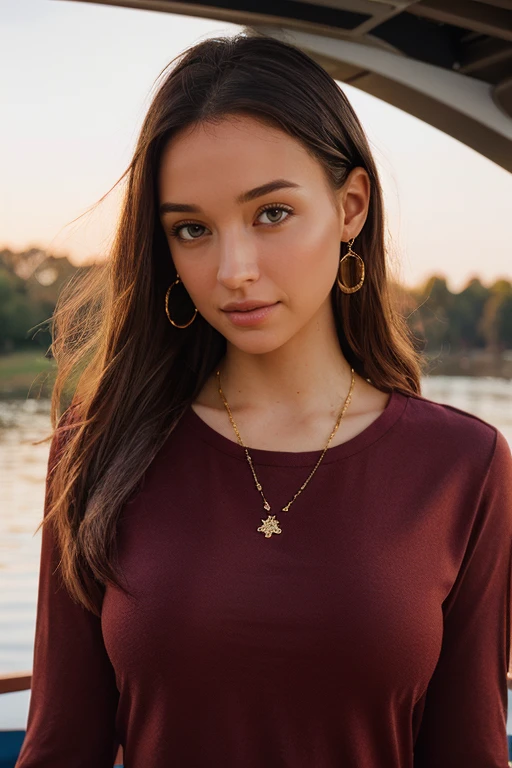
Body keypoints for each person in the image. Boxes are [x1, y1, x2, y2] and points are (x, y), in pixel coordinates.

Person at [15, 32, 512, 768]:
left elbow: (469, 751)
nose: (232, 270)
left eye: (271, 213)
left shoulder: (463, 466)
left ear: (350, 207)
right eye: (192, 230)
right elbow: (61, 745)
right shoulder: (98, 446)